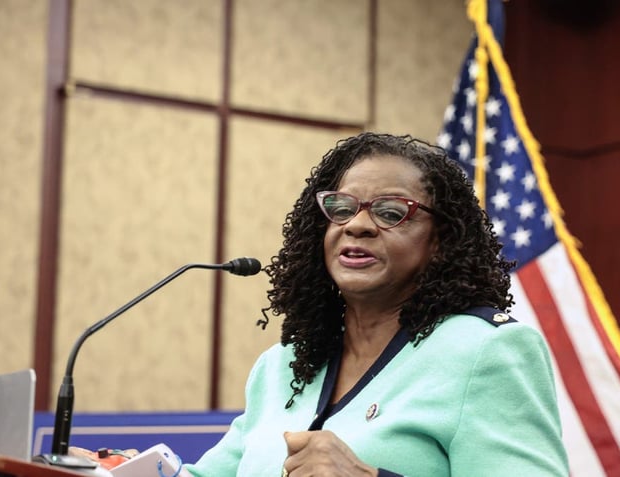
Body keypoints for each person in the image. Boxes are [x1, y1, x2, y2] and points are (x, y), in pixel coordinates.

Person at [185, 132, 569, 476]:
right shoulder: (280, 367)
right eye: (341, 208)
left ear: (439, 242)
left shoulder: (486, 350)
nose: (357, 225)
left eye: (390, 213)